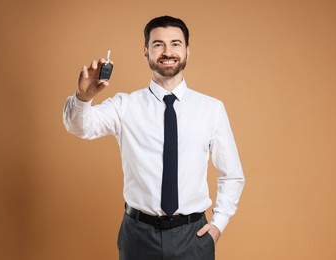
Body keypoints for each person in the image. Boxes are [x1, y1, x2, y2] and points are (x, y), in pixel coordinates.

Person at [63, 15, 245, 260]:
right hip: (138, 236)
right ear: (146, 52)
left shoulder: (211, 109)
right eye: (158, 44)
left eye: (175, 44)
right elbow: (81, 127)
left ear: (187, 52)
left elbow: (232, 174)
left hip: (194, 236)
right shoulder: (124, 106)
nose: (167, 51)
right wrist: (82, 98)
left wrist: (218, 224)